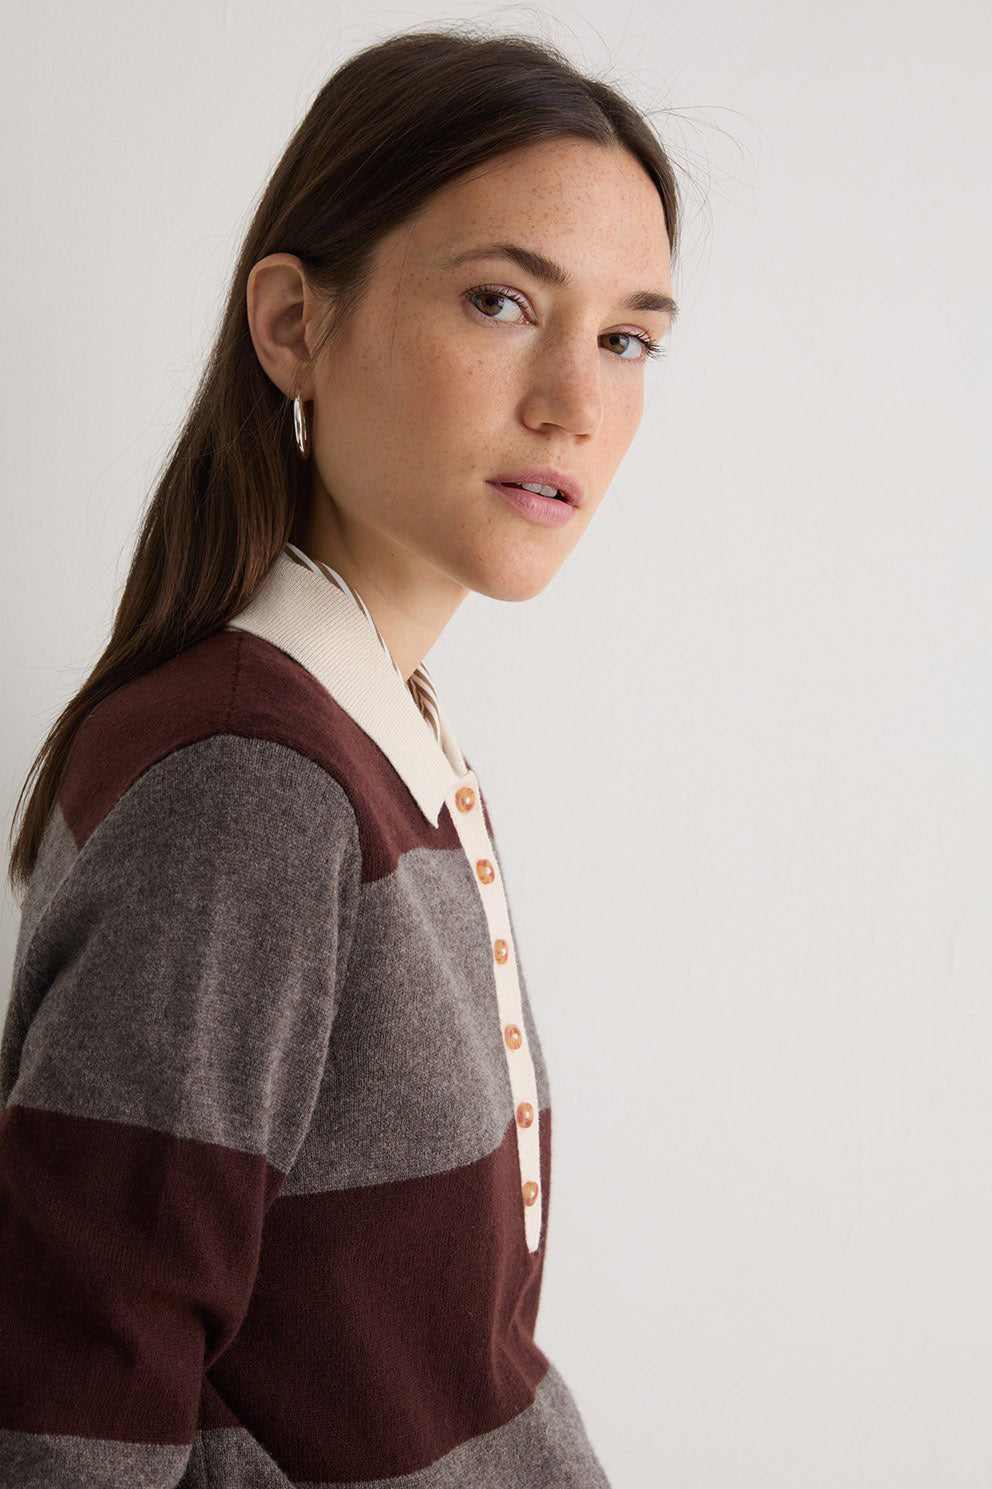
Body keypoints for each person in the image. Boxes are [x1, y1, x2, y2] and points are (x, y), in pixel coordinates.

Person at [0, 24, 681, 1488]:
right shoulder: (251, 785)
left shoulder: (369, 730)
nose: (575, 401)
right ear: (295, 325)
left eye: (627, 338)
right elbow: (69, 1406)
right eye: (503, 300)